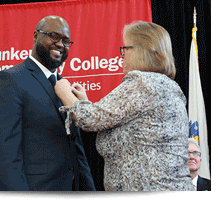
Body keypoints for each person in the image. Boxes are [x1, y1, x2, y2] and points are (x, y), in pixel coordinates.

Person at [54, 21, 195, 191]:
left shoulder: (143, 82)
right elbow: (113, 121)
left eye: (124, 49)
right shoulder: (166, 85)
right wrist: (85, 102)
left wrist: (64, 91)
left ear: (140, 51)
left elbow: (90, 119)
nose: (121, 55)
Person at [0, 15, 95, 191]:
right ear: (36, 36)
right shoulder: (10, 79)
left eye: (66, 41)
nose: (60, 44)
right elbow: (5, 153)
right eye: (54, 37)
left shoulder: (66, 89)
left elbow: (77, 149)